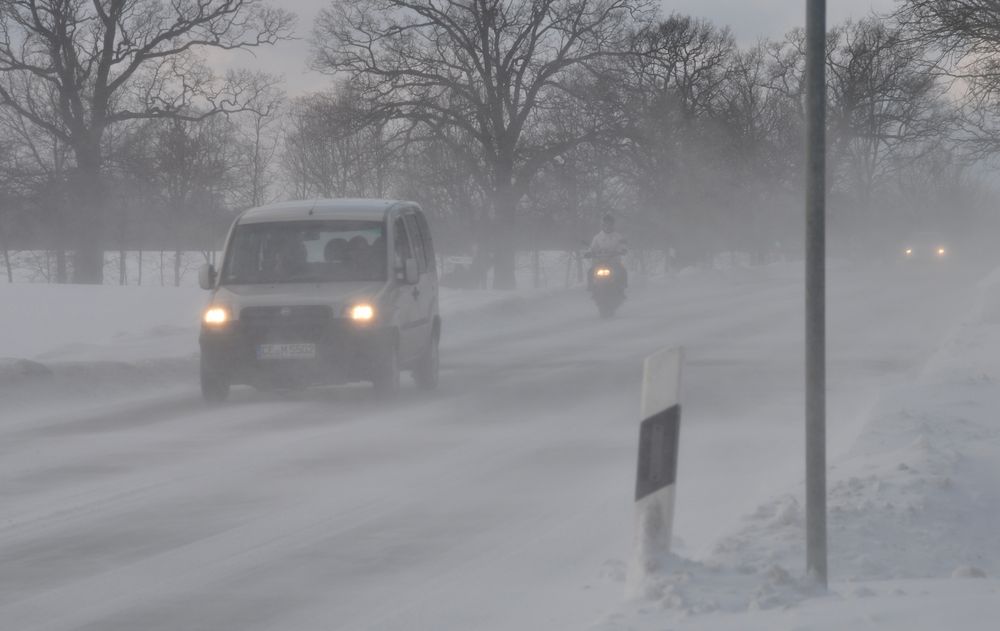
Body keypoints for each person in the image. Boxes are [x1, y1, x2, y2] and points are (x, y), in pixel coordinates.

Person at [589, 213, 627, 291]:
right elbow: (593, 247)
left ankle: (622, 286)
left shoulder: (618, 236)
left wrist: (623, 250)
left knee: (622, 271)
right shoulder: (597, 237)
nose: (608, 226)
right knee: (590, 271)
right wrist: (590, 253)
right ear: (602, 225)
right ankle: (591, 286)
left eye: (610, 224)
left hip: (614, 262)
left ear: (613, 225)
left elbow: (623, 245)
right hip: (600, 262)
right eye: (606, 224)